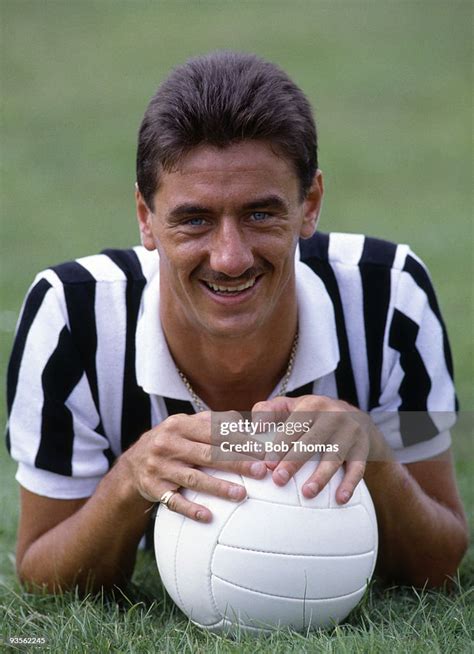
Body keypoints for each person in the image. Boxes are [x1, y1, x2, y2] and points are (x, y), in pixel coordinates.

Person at [6, 51, 468, 593]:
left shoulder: (390, 296)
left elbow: (440, 560)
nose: (230, 257)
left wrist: (373, 447)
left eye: (260, 214)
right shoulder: (71, 315)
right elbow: (39, 566)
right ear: (144, 218)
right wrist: (132, 478)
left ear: (310, 204)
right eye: (194, 219)